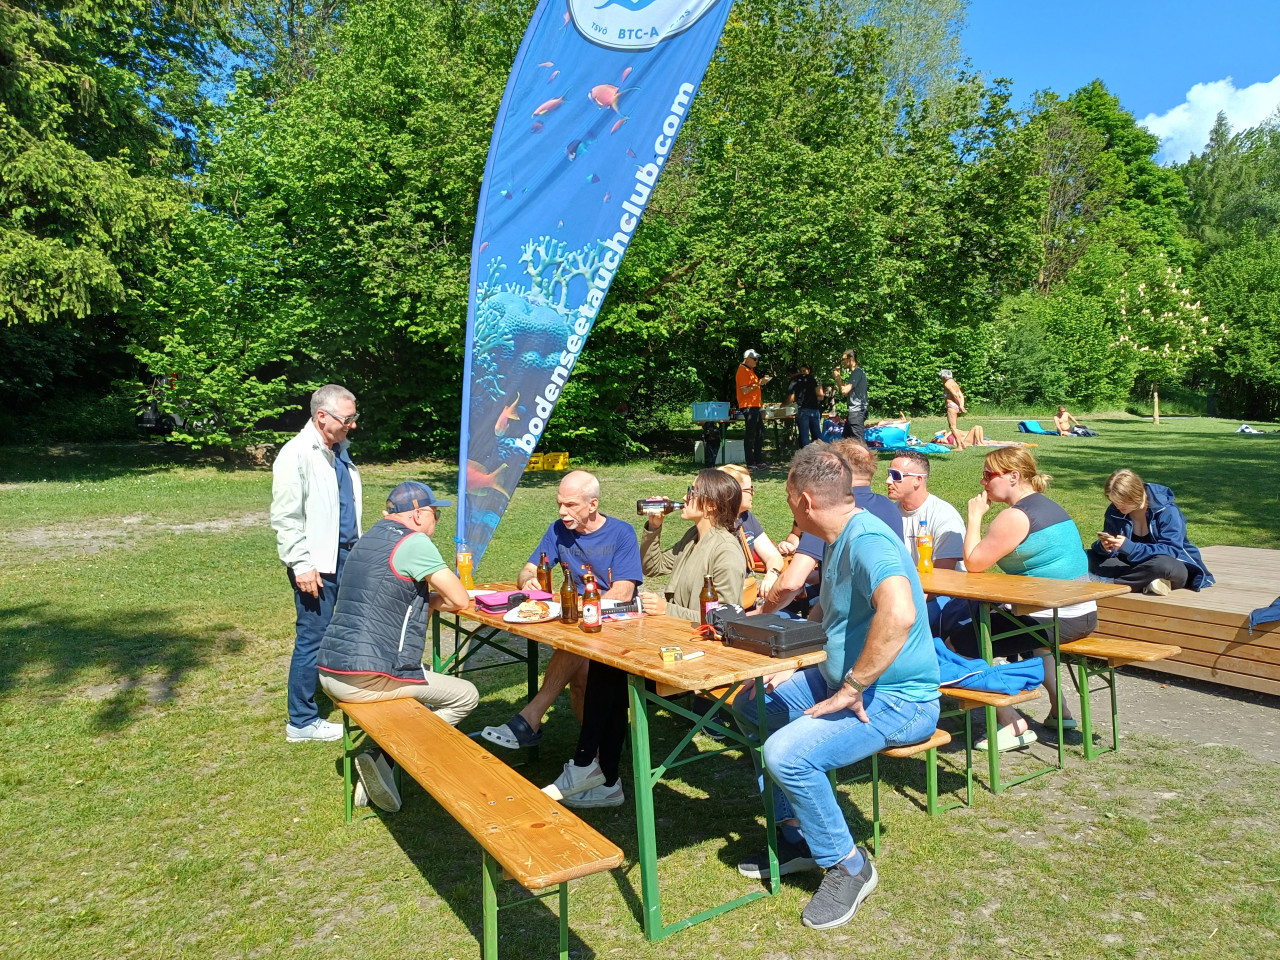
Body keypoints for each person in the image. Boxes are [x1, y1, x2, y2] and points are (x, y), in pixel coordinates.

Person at [732, 443, 940, 930]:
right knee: (754, 703)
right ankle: (797, 835)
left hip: (901, 700)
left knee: (786, 754)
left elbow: (900, 612)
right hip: (840, 679)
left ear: (804, 501)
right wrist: (798, 662)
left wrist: (852, 686)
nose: (788, 507)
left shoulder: (868, 540)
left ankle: (849, 866)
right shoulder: (835, 535)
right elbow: (831, 608)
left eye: (788, 499)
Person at [541, 470, 747, 809]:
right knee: (607, 667)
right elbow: (651, 566)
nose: (685, 496)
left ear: (711, 505)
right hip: (672, 643)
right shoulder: (694, 537)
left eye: (692, 491)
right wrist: (654, 527)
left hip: (700, 658)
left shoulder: (725, 550)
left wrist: (669, 610)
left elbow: (728, 620)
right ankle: (597, 773)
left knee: (609, 676)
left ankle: (593, 770)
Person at [317, 482, 479, 811]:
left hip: (331, 669)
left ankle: (381, 763)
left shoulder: (369, 537)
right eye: (435, 514)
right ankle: (385, 758)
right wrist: (439, 599)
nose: (436, 522)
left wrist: (429, 600)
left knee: (426, 676)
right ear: (418, 514)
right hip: (366, 677)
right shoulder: (414, 542)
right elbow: (461, 599)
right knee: (466, 695)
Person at [481, 471, 642, 751]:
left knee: (576, 655)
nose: (562, 511)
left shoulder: (621, 532)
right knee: (579, 675)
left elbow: (622, 593)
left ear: (592, 505)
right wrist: (528, 580)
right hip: (578, 621)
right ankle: (593, 753)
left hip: (617, 620)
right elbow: (528, 569)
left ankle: (533, 720)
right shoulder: (558, 530)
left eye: (570, 505)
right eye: (559, 504)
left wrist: (578, 607)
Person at [948, 448, 1094, 750]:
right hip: (1082, 614)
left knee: (962, 642)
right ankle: (1061, 710)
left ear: (1013, 476)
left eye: (989, 474)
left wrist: (974, 517)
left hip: (1057, 617)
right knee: (1030, 639)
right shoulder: (1049, 506)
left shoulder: (1016, 516)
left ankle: (1012, 723)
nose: (983, 481)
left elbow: (974, 563)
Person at [270, 384, 363, 743]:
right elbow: (286, 517)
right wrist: (301, 564)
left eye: (354, 417)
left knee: (348, 630)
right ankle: (302, 721)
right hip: (317, 564)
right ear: (321, 416)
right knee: (313, 637)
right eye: (347, 419)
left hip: (348, 556)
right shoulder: (296, 454)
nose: (352, 425)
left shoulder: (339, 450)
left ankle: (350, 691)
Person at [1089, 468, 1215, 595]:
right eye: (1114, 502)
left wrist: (1130, 548)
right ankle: (1147, 582)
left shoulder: (1167, 511)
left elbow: (1172, 550)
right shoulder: (1114, 511)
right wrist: (1105, 547)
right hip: (1133, 565)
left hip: (1169, 565)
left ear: (1135, 495)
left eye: (1122, 502)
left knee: (1163, 566)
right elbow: (1111, 546)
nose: (1117, 507)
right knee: (1087, 556)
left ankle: (1111, 583)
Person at [884, 451, 964, 570]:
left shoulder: (945, 517)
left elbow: (944, 572)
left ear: (917, 480)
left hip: (939, 580)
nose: (888, 481)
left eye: (896, 475)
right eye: (889, 474)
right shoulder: (890, 513)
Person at [719, 463, 785, 601]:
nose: (753, 493)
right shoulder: (715, 525)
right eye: (749, 489)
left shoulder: (746, 517)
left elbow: (773, 556)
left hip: (746, 596)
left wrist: (772, 573)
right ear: (733, 493)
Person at [736, 349, 771, 468]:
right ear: (747, 359)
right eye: (755, 359)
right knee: (751, 434)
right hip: (748, 406)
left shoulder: (750, 371)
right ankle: (750, 462)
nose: (756, 361)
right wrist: (758, 383)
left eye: (757, 359)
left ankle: (758, 460)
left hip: (754, 406)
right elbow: (745, 391)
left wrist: (759, 383)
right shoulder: (742, 371)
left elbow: (752, 387)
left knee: (760, 432)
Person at [833, 350, 868, 442]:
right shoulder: (856, 373)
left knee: (859, 442)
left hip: (857, 412)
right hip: (854, 412)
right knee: (845, 441)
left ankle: (864, 452)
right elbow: (848, 392)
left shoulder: (857, 372)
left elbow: (844, 391)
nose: (842, 362)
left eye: (843, 359)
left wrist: (838, 378)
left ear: (851, 359)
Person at [786, 363, 825, 447]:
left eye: (804, 371)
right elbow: (821, 396)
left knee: (804, 436)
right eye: (801, 371)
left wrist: (783, 405)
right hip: (814, 409)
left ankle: (805, 454)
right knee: (818, 436)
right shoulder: (813, 379)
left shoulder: (795, 380)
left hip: (803, 410)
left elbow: (791, 398)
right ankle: (822, 452)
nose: (802, 372)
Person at [940, 369, 967, 449]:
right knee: (953, 426)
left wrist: (961, 406)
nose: (941, 379)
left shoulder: (947, 384)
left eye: (941, 377)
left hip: (951, 405)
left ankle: (959, 447)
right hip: (956, 406)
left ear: (944, 377)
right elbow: (961, 396)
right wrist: (961, 405)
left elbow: (955, 395)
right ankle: (962, 444)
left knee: (952, 427)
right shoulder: (954, 383)